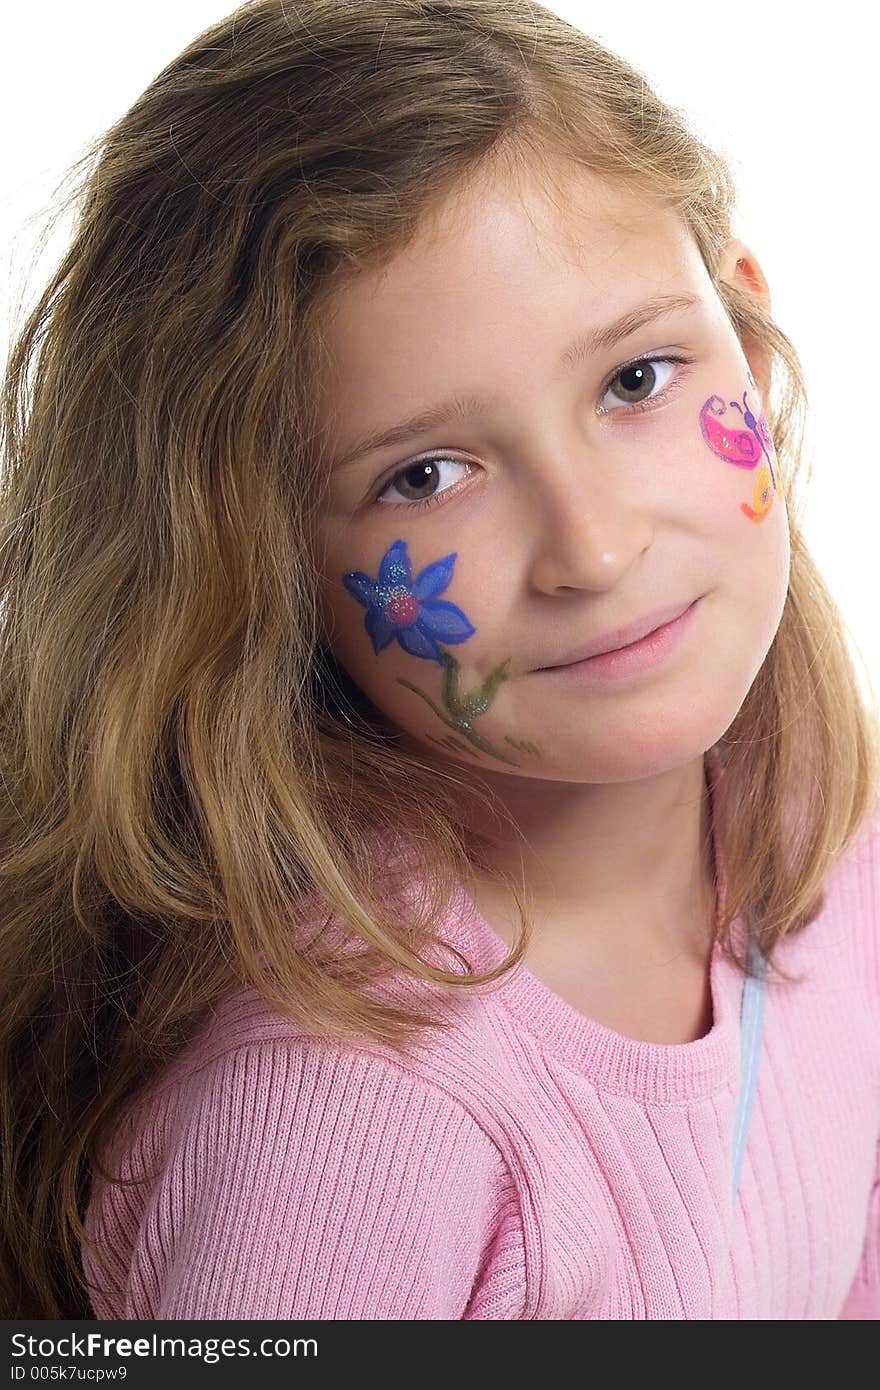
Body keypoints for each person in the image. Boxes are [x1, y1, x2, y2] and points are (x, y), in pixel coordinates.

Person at [0, 0, 877, 1322]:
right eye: (427, 473)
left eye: (635, 379)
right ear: (262, 564)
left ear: (746, 343)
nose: (588, 545)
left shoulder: (817, 819)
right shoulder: (339, 1126)